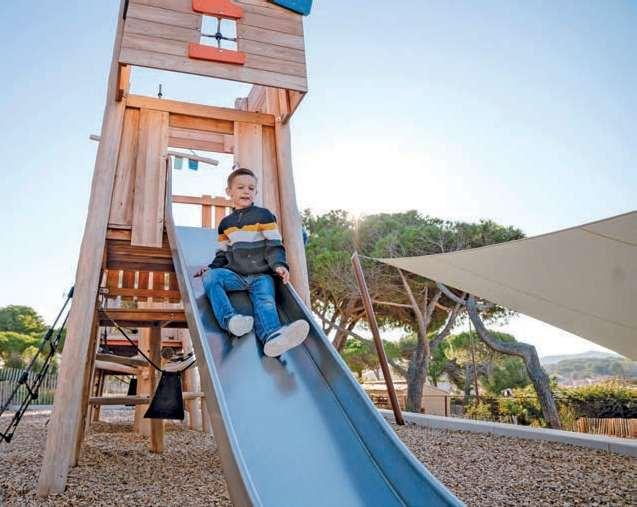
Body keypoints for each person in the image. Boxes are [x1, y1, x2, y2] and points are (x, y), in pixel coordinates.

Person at [194, 167, 309, 357]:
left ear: (256, 192)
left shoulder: (264, 215)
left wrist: (279, 265)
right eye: (240, 187)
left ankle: (272, 337)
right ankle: (231, 321)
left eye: (251, 188)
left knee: (265, 301)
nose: (246, 191)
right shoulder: (225, 224)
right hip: (236, 275)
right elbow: (222, 252)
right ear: (229, 192)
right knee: (211, 278)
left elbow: (274, 244)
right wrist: (211, 268)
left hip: (261, 275)